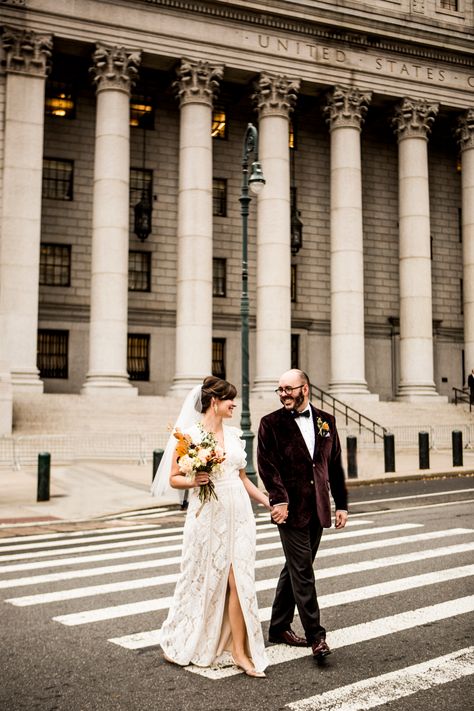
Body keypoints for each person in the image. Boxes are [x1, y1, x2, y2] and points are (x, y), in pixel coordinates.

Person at [151, 376, 270, 677]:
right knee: (199, 579)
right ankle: (185, 636)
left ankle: (240, 652)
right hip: (207, 516)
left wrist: (269, 501)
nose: (234, 405)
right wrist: (195, 480)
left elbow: (243, 479)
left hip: (239, 514)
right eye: (231, 400)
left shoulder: (233, 436)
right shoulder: (189, 436)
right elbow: (174, 478)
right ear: (215, 402)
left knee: (238, 580)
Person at [257, 369, 348, 660]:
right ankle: (316, 637)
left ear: (305, 389)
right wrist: (279, 500)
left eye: (288, 388)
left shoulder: (326, 421)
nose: (283, 394)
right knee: (303, 572)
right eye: (279, 389)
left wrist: (341, 504)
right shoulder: (269, 423)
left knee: (295, 568)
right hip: (289, 511)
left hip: (318, 506)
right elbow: (266, 466)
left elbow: (334, 465)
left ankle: (278, 626)